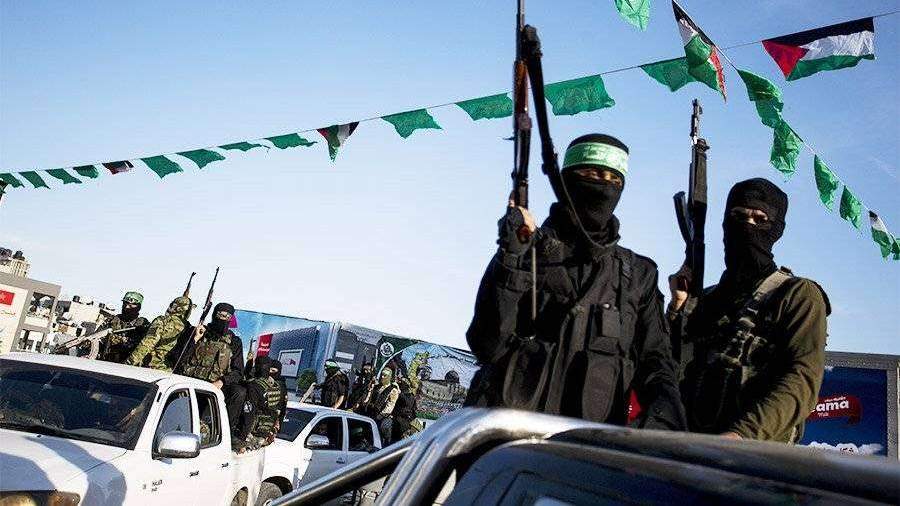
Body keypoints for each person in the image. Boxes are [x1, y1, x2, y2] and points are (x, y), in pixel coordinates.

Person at [465, 134, 685, 430]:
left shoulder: (638, 275)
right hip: (507, 441)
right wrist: (512, 255)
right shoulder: (526, 249)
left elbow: (657, 367)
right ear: (566, 180)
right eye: (591, 174)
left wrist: (659, 429)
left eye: (613, 179)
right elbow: (486, 344)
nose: (603, 186)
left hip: (587, 449)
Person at [668, 178, 829, 443]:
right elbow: (668, 366)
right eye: (738, 216)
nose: (747, 226)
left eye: (760, 219)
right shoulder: (706, 299)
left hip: (754, 454)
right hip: (693, 446)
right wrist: (678, 309)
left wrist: (741, 435)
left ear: (776, 230)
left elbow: (802, 379)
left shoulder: (797, 295)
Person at [174, 303, 246, 432]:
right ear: (214, 315)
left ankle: (225, 432)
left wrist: (221, 381)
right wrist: (195, 339)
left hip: (214, 385)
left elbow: (238, 371)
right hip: (191, 381)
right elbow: (179, 358)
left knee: (239, 392)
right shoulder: (198, 331)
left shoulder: (234, 341)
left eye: (227, 316)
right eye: (220, 315)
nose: (223, 319)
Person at [126, 296, 192, 371]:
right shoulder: (188, 328)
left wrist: (128, 364)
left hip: (151, 368)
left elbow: (146, 344)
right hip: (169, 370)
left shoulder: (163, 321)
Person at [236, 356, 284, 452]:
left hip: (253, 434)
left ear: (257, 367)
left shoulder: (254, 386)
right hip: (266, 432)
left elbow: (248, 413)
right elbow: (278, 411)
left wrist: (242, 438)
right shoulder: (277, 386)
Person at [97, 291, 151, 363]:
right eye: (125, 304)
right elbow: (96, 338)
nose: (126, 307)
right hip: (105, 362)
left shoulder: (143, 325)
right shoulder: (111, 320)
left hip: (127, 364)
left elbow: (145, 346)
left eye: (130, 305)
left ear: (138, 307)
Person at [365, 368, 399, 445]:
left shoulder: (393, 390)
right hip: (371, 413)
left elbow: (390, 405)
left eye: (385, 375)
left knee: (379, 436)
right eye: (382, 375)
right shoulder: (377, 387)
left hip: (382, 417)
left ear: (389, 377)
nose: (382, 377)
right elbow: (370, 398)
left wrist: (379, 416)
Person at [391, 376, 419, 443]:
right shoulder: (411, 396)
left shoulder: (403, 395)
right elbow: (414, 410)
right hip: (406, 420)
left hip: (400, 421)